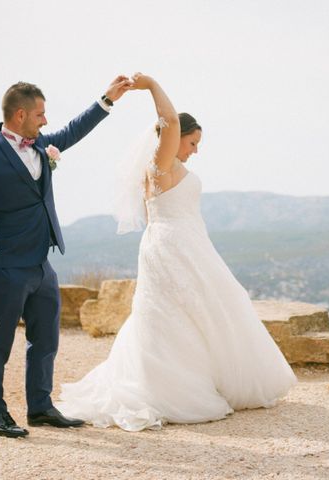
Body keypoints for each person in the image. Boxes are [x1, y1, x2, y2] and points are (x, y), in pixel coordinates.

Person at [57, 73, 298, 431]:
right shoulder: (161, 162)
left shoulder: (171, 166)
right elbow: (168, 119)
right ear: (175, 138)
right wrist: (151, 85)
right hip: (171, 245)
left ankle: (206, 378)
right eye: (193, 142)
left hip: (186, 243)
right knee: (170, 316)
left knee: (194, 313)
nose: (196, 150)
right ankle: (172, 389)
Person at [0, 76, 133, 438]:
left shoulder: (41, 146)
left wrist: (107, 100)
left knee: (46, 340)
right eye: (40, 114)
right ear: (20, 115)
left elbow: (73, 131)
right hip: (4, 265)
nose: (46, 121)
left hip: (41, 263)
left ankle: (40, 407)